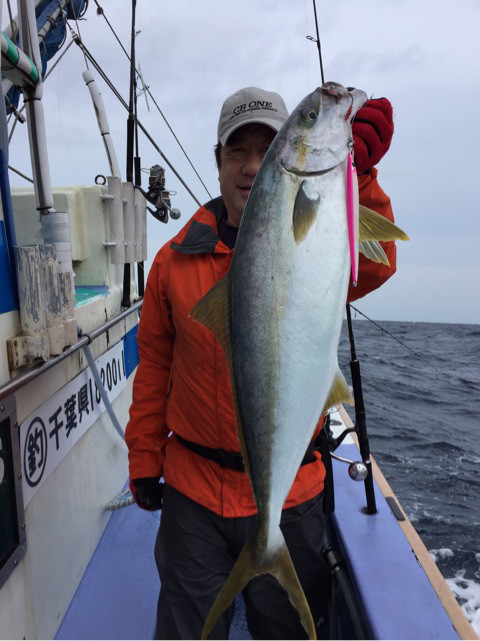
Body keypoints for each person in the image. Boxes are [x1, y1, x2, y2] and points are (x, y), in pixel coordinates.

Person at [125, 86, 396, 640]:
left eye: (265, 150)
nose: (250, 166)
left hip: (291, 491)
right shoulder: (173, 263)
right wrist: (144, 458)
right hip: (194, 495)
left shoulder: (322, 235)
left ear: (280, 161)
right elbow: (153, 367)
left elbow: (375, 264)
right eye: (236, 152)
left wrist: (359, 177)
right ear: (218, 161)